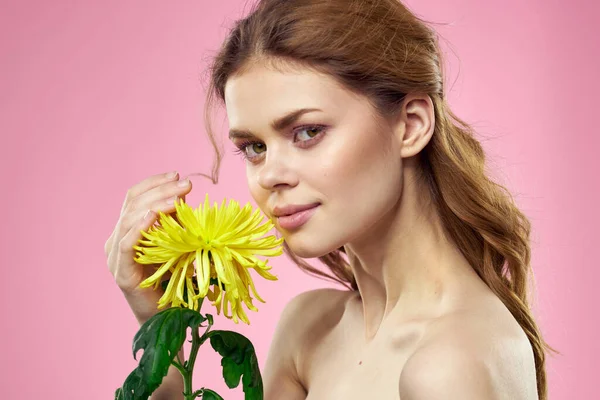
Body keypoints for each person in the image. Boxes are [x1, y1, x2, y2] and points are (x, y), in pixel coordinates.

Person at [105, 0, 554, 398]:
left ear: (411, 125)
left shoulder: (453, 364)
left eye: (307, 132)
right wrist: (159, 326)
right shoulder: (310, 329)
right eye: (254, 148)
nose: (271, 176)